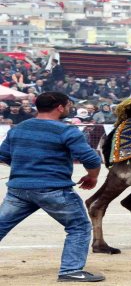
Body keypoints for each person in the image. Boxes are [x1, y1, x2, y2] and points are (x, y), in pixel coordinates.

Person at [0, 92, 105, 282]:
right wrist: (92, 177)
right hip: (53, 189)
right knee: (79, 227)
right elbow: (91, 158)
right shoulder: (67, 131)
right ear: (59, 107)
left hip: (18, 189)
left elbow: (4, 156)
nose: (69, 108)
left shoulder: (19, 128)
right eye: (68, 105)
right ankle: (70, 270)